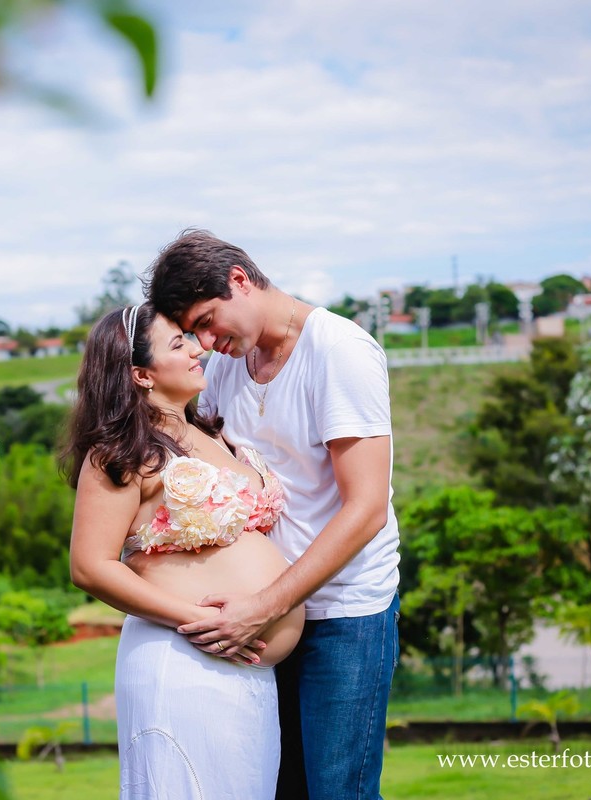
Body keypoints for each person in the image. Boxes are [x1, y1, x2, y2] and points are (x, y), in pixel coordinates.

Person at [146, 230, 401, 800]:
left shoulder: (339, 352)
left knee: (339, 792)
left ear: (240, 279)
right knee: (274, 788)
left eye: (209, 320)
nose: (208, 342)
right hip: (263, 624)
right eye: (195, 332)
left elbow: (366, 511)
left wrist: (265, 604)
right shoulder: (231, 365)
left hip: (343, 614)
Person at [64, 302, 305, 800]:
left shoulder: (212, 432)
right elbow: (90, 567)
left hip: (248, 674)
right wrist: (199, 622)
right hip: (184, 660)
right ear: (141, 374)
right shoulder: (119, 451)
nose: (200, 349)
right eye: (179, 344)